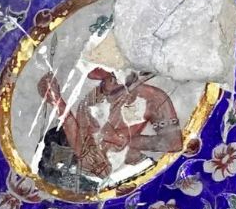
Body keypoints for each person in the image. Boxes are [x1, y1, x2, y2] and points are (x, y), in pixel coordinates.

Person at [35, 66, 181, 193]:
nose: (86, 63)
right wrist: (57, 101)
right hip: (90, 177)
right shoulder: (93, 96)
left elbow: (174, 143)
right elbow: (83, 148)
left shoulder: (152, 97)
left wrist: (123, 140)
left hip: (128, 177)